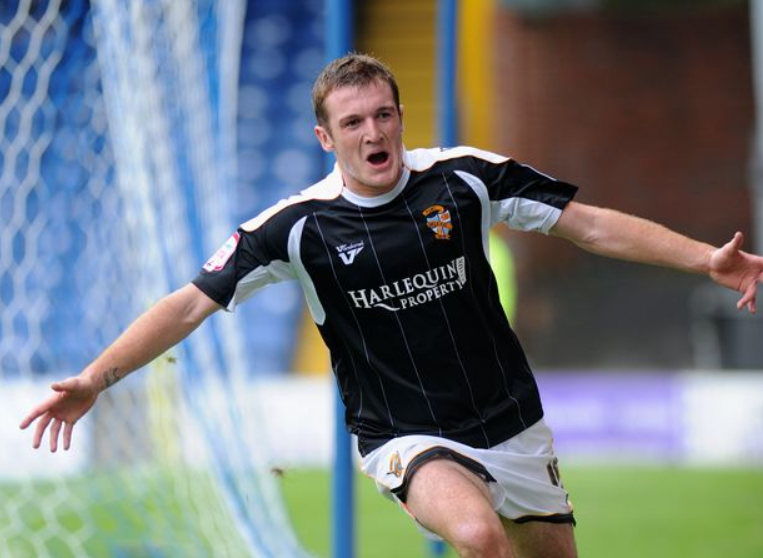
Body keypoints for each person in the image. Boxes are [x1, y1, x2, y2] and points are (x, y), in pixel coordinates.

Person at [20, 53, 763, 558]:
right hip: (403, 433)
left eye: (382, 114)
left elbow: (590, 224)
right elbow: (187, 307)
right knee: (476, 537)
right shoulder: (294, 227)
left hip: (511, 417)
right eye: (353, 122)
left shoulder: (467, 178)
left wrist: (705, 259)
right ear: (324, 137)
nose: (372, 132)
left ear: (399, 115)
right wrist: (95, 379)